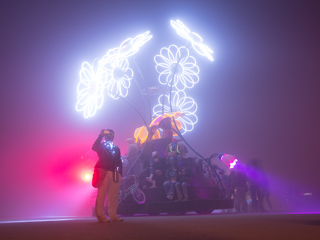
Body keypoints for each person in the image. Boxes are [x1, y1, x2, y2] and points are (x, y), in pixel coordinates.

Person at [92, 129, 123, 223]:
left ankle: (113, 215)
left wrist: (120, 173)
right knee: (101, 194)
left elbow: (119, 161)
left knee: (114, 195)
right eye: (108, 135)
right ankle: (100, 215)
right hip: (104, 172)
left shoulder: (116, 148)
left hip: (114, 172)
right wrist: (100, 136)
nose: (109, 136)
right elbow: (94, 147)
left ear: (113, 136)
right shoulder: (101, 146)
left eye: (111, 135)